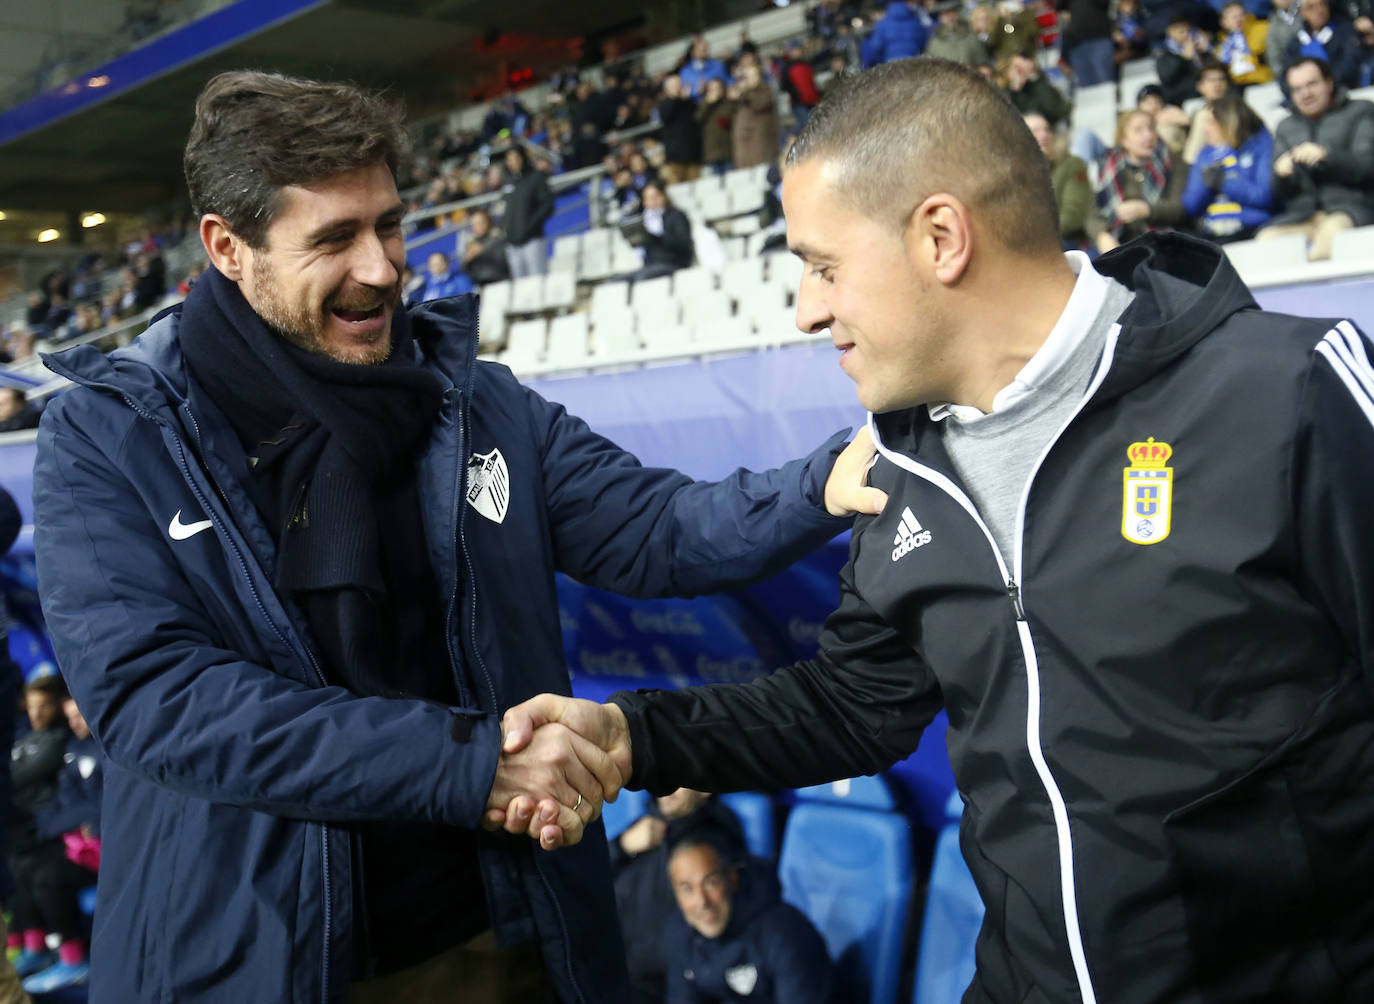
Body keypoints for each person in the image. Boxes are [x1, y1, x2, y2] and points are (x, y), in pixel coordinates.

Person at [497, 56, 1374, 1002]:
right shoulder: (898, 470)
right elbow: (849, 709)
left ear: (942, 238)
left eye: (824, 266)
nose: (806, 311)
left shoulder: (1289, 391)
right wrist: (630, 735)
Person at [30, 70, 879, 1004]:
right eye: (333, 238)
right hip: (261, 963)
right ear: (228, 248)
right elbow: (164, 702)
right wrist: (472, 765)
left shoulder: (478, 403)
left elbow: (661, 529)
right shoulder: (112, 438)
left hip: (502, 937)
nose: (383, 268)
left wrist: (824, 483)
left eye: (389, 225)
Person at [662, 835, 834, 1004]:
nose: (702, 902)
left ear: (732, 879)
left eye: (711, 883)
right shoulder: (680, 932)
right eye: (687, 889)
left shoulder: (787, 934)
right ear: (677, 898)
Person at [612, 789, 746, 1002]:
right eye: (663, 775)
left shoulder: (713, 835)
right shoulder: (646, 825)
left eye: (679, 776)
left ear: (704, 790)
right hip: (610, 965)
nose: (665, 786)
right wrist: (623, 845)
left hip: (654, 985)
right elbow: (593, 879)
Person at [19, 696, 103, 995]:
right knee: (25, 867)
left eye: (79, 715)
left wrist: (84, 820)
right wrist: (71, 821)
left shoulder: (109, 749)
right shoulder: (74, 749)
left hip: (105, 848)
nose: (75, 723)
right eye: (70, 717)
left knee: (48, 878)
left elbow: (102, 808)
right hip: (79, 842)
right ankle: (37, 947)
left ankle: (74, 961)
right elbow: (59, 809)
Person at [1258, 56, 1374, 258]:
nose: (1305, 94)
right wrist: (1280, 173)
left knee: (1328, 240)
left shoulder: (1361, 111)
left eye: (1312, 84)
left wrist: (1327, 156)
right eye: (1297, 89)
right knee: (1265, 243)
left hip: (1351, 210)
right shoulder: (1285, 127)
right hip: (1301, 216)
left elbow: (1367, 167)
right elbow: (1277, 192)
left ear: (1329, 83)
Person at [7, 677, 74, 984]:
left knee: (42, 873)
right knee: (16, 866)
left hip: (54, 833)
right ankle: (31, 947)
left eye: (44, 706)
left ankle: (72, 956)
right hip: (34, 832)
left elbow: (16, 776)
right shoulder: (23, 739)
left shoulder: (58, 741)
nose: (36, 714)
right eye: (31, 707)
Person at [1182, 92, 1275, 240]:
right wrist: (1206, 184)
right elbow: (1191, 206)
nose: (1206, 129)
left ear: (1229, 121)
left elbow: (1266, 196)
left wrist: (1224, 182)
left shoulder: (1262, 148)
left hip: (1252, 231)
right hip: (1212, 234)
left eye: (1211, 122)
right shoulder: (1205, 155)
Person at [1096, 108, 1191, 242]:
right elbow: (1094, 211)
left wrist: (1146, 209)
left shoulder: (1173, 160)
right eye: (1138, 130)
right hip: (1125, 241)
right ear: (1124, 140)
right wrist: (1102, 236)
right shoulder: (1109, 167)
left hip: (1168, 238)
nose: (1148, 135)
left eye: (1151, 128)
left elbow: (1180, 208)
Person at [1024, 112, 1113, 252]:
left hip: (1067, 243)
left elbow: (1073, 216)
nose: (1044, 135)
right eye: (1035, 131)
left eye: (1046, 129)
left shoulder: (1071, 164)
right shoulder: (1014, 175)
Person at [500, 145, 553, 279]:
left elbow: (547, 206)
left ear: (523, 158)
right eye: (509, 160)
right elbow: (504, 209)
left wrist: (529, 226)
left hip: (532, 240)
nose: (513, 162)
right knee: (520, 287)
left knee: (538, 280)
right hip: (512, 244)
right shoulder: (508, 182)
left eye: (516, 158)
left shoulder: (536, 178)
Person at [626, 182, 695, 281]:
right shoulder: (644, 220)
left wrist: (655, 238)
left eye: (656, 196)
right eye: (649, 198)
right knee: (616, 280)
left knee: (642, 279)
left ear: (664, 196)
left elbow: (683, 244)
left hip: (673, 263)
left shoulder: (676, 216)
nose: (653, 201)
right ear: (644, 202)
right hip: (650, 264)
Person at [1285, 0, 1364, 86]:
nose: (1319, 10)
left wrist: (1323, 84)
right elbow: (1285, 77)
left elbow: (1350, 65)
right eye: (1311, 7)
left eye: (1322, 4)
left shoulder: (1346, 32)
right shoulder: (1294, 45)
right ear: (1303, 12)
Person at [729, 62, 781, 170]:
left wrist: (745, 93)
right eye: (747, 76)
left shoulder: (766, 90)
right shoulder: (740, 95)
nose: (751, 79)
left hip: (764, 143)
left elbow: (759, 105)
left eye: (754, 75)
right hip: (745, 145)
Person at [657, 75, 705, 185]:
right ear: (667, 89)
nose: (679, 87)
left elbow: (698, 118)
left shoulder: (689, 103)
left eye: (680, 84)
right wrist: (676, 98)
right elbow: (666, 115)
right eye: (675, 85)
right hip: (675, 158)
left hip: (693, 156)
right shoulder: (664, 104)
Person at [1001, 52, 1071, 125]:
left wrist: (1034, 78)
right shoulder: (1006, 94)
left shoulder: (1038, 82)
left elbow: (1054, 109)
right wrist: (1016, 89)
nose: (1022, 70)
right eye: (1017, 68)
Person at [1157, 13, 1212, 105]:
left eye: (1188, 31)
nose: (1186, 35)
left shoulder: (1198, 49)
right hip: (1184, 99)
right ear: (1170, 32)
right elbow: (1167, 78)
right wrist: (1184, 59)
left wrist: (1207, 52)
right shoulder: (1164, 54)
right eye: (1181, 31)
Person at [1217, 0, 1275, 83]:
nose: (1238, 19)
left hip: (1263, 80)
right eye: (1234, 17)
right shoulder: (1222, 45)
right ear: (1223, 23)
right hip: (1236, 86)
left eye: (1241, 15)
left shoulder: (1263, 29)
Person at [861, 1, 930, 67]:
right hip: (913, 62)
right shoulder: (915, 21)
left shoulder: (883, 24)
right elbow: (923, 42)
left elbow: (876, 48)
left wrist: (879, 62)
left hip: (890, 63)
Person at [458, 208, 511, 286]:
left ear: (489, 222)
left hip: (501, 283)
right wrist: (468, 260)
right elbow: (463, 270)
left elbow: (504, 259)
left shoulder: (499, 237)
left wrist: (483, 250)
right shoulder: (471, 243)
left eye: (481, 223)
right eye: (474, 224)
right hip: (481, 286)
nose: (477, 227)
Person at [926, 1, 991, 65]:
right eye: (946, 13)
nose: (950, 16)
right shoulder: (934, 43)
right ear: (941, 17)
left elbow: (982, 64)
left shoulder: (971, 38)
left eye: (953, 12)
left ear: (958, 14)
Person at [697, 78, 737, 175]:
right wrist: (708, 104)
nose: (715, 92)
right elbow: (698, 118)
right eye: (712, 89)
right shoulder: (704, 105)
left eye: (718, 88)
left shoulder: (729, 103)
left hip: (728, 152)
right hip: (711, 154)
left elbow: (725, 120)